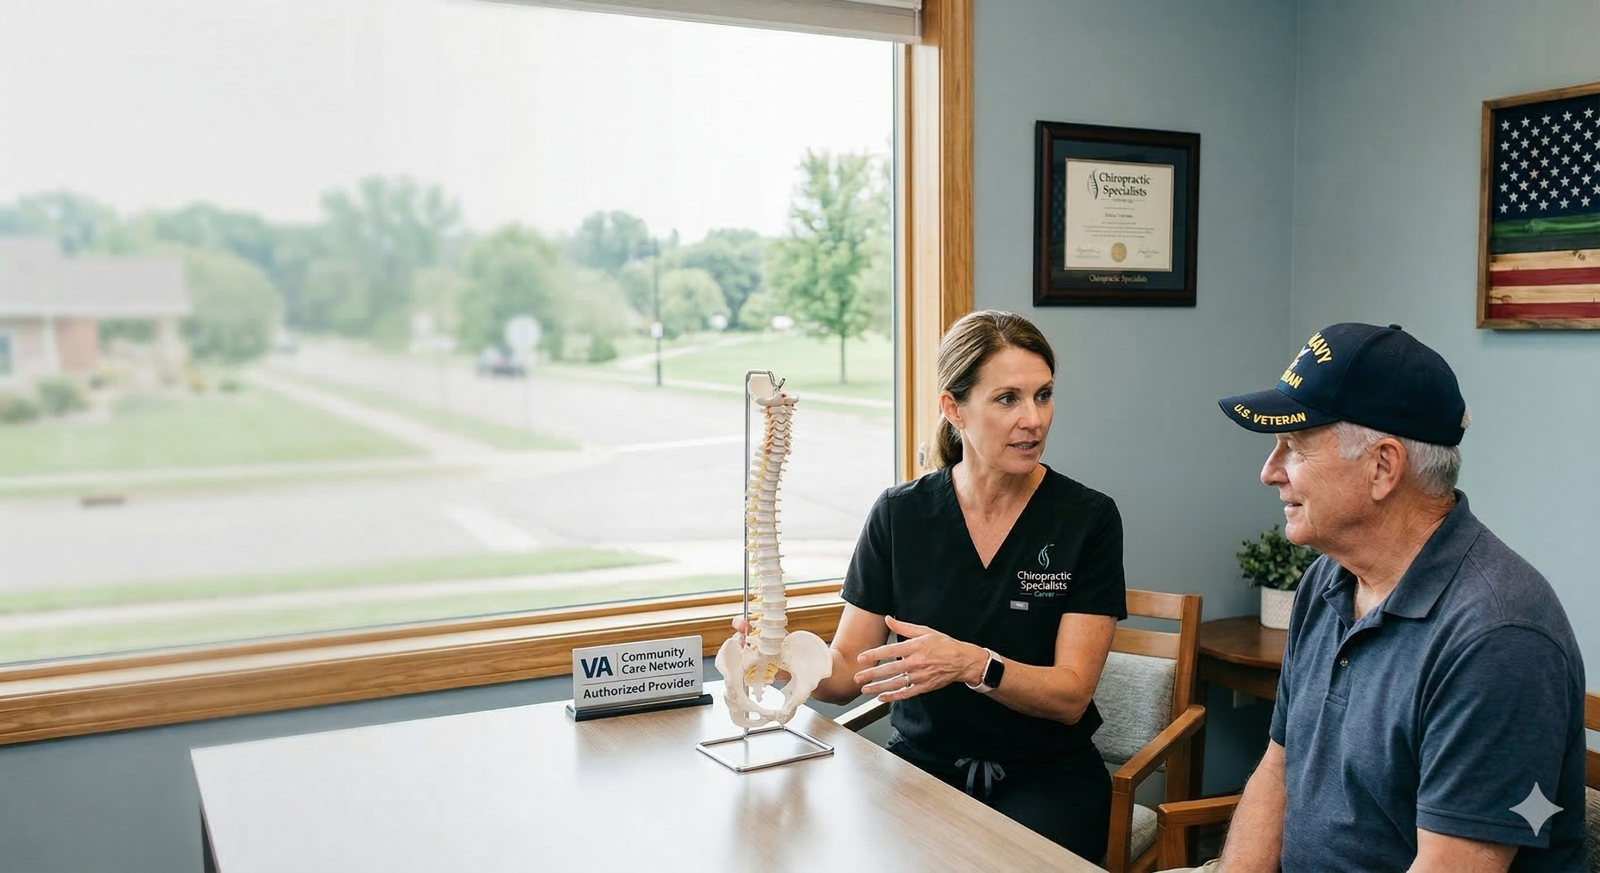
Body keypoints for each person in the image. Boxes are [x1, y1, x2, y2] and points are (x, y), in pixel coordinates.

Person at [1198, 322, 1586, 872]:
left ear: (1382, 466)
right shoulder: (1327, 579)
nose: (1269, 472)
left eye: (1295, 448)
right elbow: (1278, 770)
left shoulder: (1498, 637)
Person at [807, 309, 1127, 860]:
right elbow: (843, 676)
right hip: (922, 770)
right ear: (954, 408)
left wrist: (973, 664)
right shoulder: (899, 515)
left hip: (1047, 777)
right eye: (1007, 399)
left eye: (1043, 395)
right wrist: (777, 655)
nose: (1033, 420)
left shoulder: (1087, 518)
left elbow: (1071, 696)